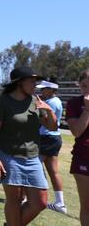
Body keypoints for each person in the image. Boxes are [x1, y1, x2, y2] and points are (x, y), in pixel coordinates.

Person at [0, 66, 57, 226]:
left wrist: (49, 111)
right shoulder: (2, 102)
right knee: (15, 199)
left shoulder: (35, 101)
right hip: (8, 156)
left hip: (33, 157)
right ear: (19, 83)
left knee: (41, 202)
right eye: (32, 81)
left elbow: (52, 127)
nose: (35, 85)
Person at [36, 79, 67, 214]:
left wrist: (36, 112)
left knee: (33, 166)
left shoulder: (51, 103)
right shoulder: (54, 101)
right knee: (53, 171)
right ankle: (60, 203)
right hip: (52, 138)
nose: (41, 91)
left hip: (47, 138)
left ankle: (27, 197)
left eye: (44, 89)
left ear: (51, 89)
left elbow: (48, 121)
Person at [65, 69, 89, 225]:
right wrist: (87, 109)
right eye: (84, 86)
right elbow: (77, 131)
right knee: (87, 207)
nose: (87, 90)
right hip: (83, 158)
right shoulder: (74, 104)